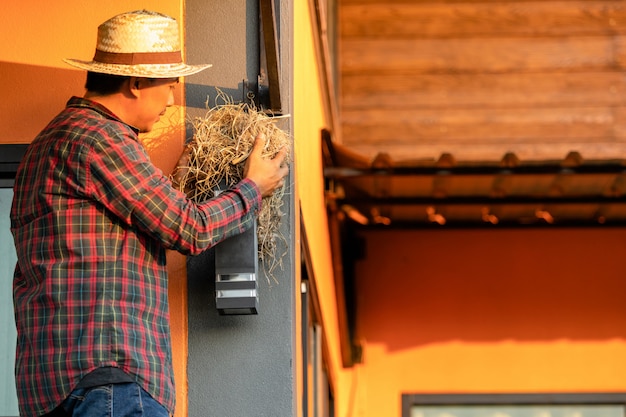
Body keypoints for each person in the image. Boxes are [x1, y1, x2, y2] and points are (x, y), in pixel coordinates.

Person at [10, 9, 289, 417]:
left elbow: (108, 238)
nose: (174, 98)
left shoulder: (46, 146)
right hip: (108, 382)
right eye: (169, 84)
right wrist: (253, 188)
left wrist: (173, 188)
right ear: (137, 83)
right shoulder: (101, 138)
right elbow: (189, 229)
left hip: (51, 385)